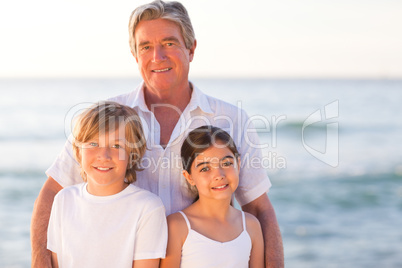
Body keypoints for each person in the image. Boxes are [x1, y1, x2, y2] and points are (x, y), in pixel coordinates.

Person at [31, 1, 284, 267]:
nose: (157, 57)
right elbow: (52, 193)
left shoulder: (232, 119)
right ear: (135, 54)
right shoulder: (107, 118)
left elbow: (258, 207)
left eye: (169, 43)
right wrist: (40, 260)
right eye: (146, 47)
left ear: (191, 48)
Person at [46, 101, 167, 268]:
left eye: (117, 145)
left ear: (132, 154)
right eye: (93, 144)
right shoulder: (63, 200)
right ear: (78, 150)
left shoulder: (147, 208)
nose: (104, 155)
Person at [160, 125, 264, 268]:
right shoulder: (177, 226)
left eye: (227, 163)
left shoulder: (251, 226)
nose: (219, 175)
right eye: (205, 168)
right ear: (189, 177)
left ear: (238, 165)